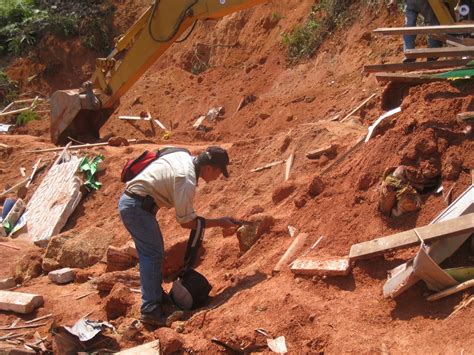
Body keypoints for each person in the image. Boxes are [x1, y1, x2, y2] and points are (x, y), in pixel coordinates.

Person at [118, 146, 240, 326]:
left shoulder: (183, 155)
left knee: (154, 253)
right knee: (152, 255)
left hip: (136, 203)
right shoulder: (186, 179)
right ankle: (150, 309)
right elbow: (186, 222)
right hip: (136, 207)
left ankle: (156, 298)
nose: (217, 177)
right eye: (218, 172)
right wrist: (220, 222)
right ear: (208, 168)